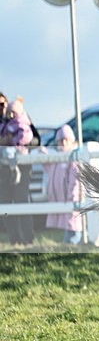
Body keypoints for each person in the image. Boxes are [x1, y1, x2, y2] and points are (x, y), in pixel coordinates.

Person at [0, 95, 35, 245]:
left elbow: (33, 139)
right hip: (3, 170)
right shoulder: (5, 124)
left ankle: (28, 238)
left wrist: (16, 143)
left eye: (2, 104)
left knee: (21, 200)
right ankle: (14, 239)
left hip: (22, 167)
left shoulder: (22, 121)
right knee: (6, 204)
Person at [41, 125, 83, 244]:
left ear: (71, 141)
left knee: (74, 223)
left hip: (71, 199)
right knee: (68, 224)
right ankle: (71, 243)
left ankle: (74, 244)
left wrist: (73, 196)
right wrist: (43, 155)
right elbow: (50, 169)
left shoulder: (73, 157)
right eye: (60, 140)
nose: (63, 143)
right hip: (62, 200)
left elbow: (75, 179)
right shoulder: (58, 157)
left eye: (66, 140)